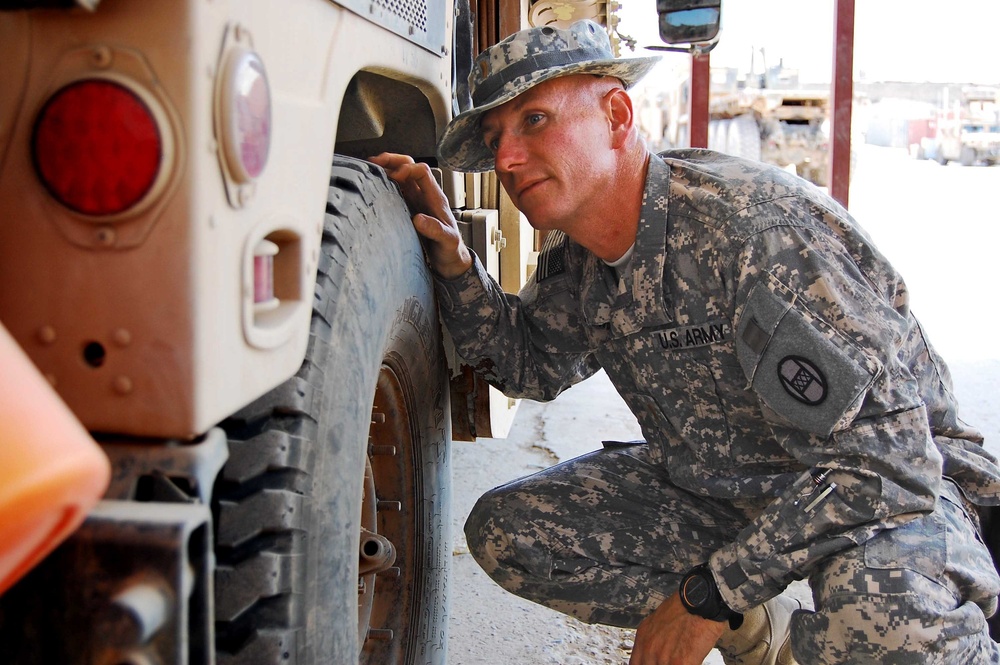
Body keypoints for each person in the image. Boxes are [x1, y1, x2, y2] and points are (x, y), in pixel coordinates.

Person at [371, 19, 1000, 665]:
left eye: (534, 120)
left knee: (888, 618)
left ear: (616, 114)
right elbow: (532, 366)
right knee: (514, 534)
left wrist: (710, 593)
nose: (505, 159)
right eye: (496, 138)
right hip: (720, 487)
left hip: (879, 488)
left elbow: (892, 463)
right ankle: (766, 636)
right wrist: (454, 265)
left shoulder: (754, 230)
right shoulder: (579, 255)